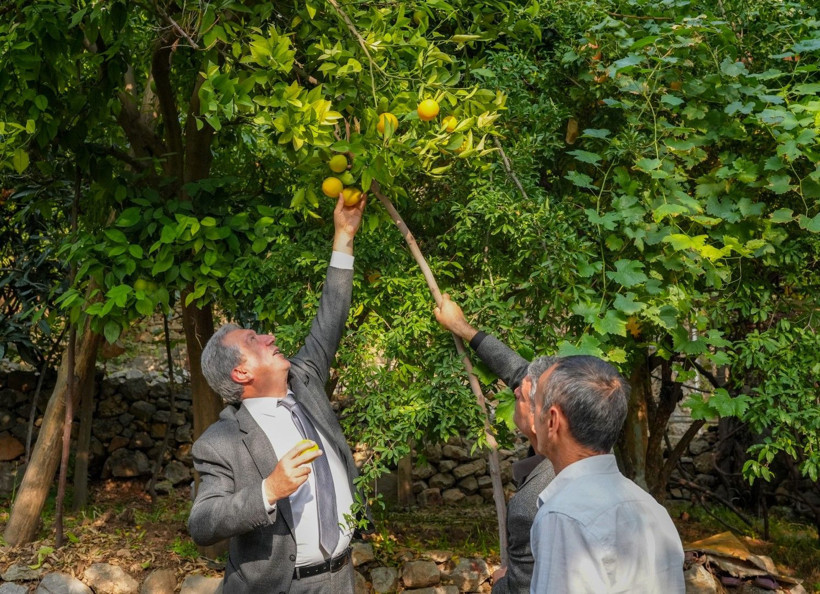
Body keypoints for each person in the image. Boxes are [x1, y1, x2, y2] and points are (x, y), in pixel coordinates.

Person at [188, 193, 366, 593]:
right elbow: (202, 523)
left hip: (341, 578)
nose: (269, 336)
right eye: (254, 339)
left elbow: (331, 317)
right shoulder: (220, 442)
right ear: (242, 370)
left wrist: (344, 235)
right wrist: (270, 489)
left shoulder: (305, 381)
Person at [529, 355, 685, 593]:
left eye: (535, 405)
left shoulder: (564, 515)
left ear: (552, 420)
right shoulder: (652, 508)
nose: (532, 417)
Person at [434, 294, 556, 594]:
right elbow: (520, 373)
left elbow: (524, 587)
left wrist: (502, 582)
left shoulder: (539, 499)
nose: (516, 389)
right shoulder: (581, 438)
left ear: (545, 416)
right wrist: (462, 328)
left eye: (523, 395)